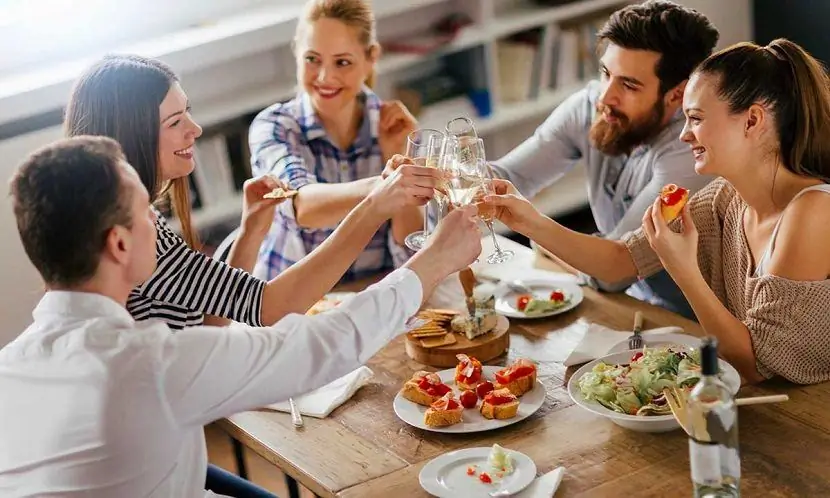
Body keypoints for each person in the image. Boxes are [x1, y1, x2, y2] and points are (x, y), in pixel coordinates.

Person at [0, 136, 482, 497]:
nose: (158, 224)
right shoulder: (150, 366)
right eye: (147, 212)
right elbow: (321, 346)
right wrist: (432, 262)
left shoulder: (10, 367)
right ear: (119, 244)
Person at [484, 39, 830, 385]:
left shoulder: (812, 211)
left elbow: (755, 365)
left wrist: (684, 269)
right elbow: (620, 260)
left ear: (752, 120)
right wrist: (525, 220)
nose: (683, 135)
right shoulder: (725, 197)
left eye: (695, 118)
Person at [65, 54, 442, 331]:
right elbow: (269, 306)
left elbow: (209, 324)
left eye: (188, 113)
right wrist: (373, 205)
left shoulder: (136, 217)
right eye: (176, 122)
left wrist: (251, 232)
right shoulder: (133, 236)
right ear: (135, 138)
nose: (195, 129)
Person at [488, 0, 719, 320]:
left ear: (676, 96)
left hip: (694, 326)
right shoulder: (592, 107)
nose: (605, 97)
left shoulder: (692, 151)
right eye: (606, 73)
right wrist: (439, 169)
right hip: (629, 307)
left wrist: (542, 237)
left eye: (628, 85)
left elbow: (615, 272)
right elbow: (508, 176)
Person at [248, 0, 424, 283]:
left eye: (342, 62)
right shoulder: (274, 127)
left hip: (369, 297)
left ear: (370, 59)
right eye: (312, 59)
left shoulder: (393, 128)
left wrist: (401, 156)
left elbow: (411, 256)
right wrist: (389, 185)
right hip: (290, 307)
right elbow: (299, 205)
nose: (325, 77)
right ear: (296, 53)